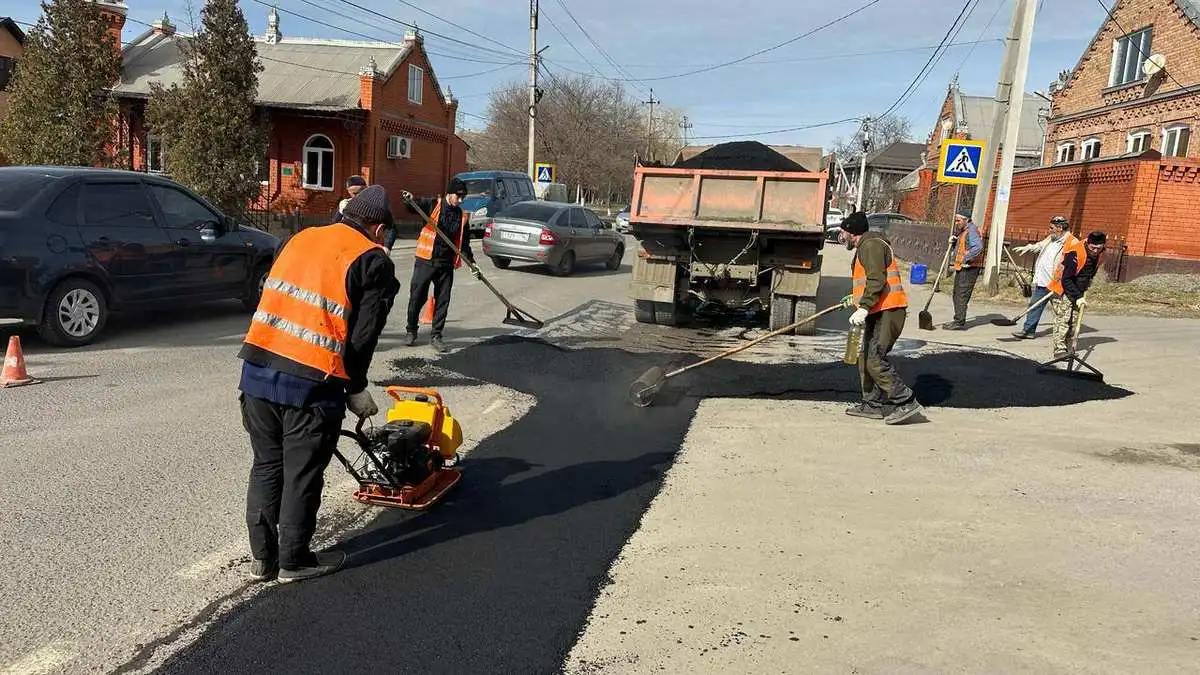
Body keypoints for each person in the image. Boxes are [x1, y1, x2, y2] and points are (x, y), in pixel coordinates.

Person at [238, 184, 401, 583]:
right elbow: (363, 337)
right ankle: (294, 560)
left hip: (256, 373)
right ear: (378, 230)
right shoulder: (371, 260)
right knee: (302, 472)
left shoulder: (299, 238)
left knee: (267, 465)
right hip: (310, 385)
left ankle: (263, 559)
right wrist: (356, 387)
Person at [839, 211, 924, 425]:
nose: (841, 236)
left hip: (889, 310)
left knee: (875, 358)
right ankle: (872, 404)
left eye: (843, 232)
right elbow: (868, 281)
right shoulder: (865, 246)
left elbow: (877, 279)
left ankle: (905, 400)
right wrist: (856, 298)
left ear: (853, 233)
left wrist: (864, 306)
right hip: (877, 310)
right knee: (865, 358)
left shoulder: (871, 245)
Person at [404, 177, 480, 353]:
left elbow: (465, 243)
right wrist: (408, 199)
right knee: (417, 297)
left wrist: (473, 264)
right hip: (426, 260)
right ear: (449, 193)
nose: (460, 200)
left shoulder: (462, 216)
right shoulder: (432, 205)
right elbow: (412, 206)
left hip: (446, 264)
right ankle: (411, 331)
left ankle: (436, 335)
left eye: (463, 197)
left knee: (443, 300)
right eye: (458, 196)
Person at [1010, 215, 1072, 339]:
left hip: (1056, 283)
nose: (1049, 230)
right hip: (1042, 281)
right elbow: (1039, 246)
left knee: (1061, 311)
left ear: (1059, 228)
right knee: (1034, 305)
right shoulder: (1051, 238)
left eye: (1051, 228)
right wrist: (1027, 248)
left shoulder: (1070, 242)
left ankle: (1064, 336)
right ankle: (1028, 331)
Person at [1048, 230, 1106, 358]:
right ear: (1088, 243)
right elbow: (1066, 279)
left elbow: (1089, 272)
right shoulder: (1075, 253)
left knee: (1073, 321)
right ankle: (1059, 349)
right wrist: (1078, 296)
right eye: (1093, 248)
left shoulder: (1100, 253)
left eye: (1099, 248)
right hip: (1063, 289)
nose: (1096, 251)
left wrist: (1086, 285)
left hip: (1079, 289)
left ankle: (1069, 347)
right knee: (1063, 320)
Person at [942, 208, 985, 330]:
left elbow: (978, 247)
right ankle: (958, 319)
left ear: (966, 220)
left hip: (969, 268)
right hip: (962, 267)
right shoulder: (964, 231)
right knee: (957, 294)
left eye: (958, 220)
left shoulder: (972, 230)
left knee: (961, 295)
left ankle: (959, 321)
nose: (956, 223)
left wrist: (966, 258)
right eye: (956, 221)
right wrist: (954, 242)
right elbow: (964, 244)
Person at [335, 176, 398, 252]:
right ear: (348, 191)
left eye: (361, 192)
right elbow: (334, 226)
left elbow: (391, 227)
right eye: (354, 193)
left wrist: (387, 247)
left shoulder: (377, 204)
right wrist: (340, 212)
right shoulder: (345, 205)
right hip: (349, 250)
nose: (358, 196)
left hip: (371, 249)